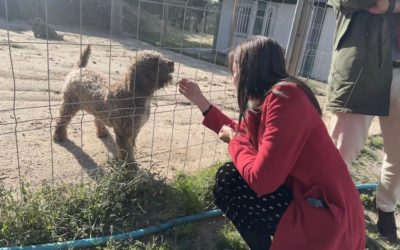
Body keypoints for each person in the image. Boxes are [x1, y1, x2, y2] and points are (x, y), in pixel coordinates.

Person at [178, 36, 365, 249]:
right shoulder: (274, 98)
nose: (233, 79)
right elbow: (241, 134)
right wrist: (201, 101)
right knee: (231, 181)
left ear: (248, 69)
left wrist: (233, 141)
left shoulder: (285, 97)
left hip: (329, 219)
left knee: (230, 181)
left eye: (234, 71)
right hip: (313, 204)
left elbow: (262, 181)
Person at [327, 0, 400, 242]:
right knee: (339, 151)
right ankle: (322, 209)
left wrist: (390, 5)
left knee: (399, 154)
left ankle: (386, 208)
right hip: (360, 66)